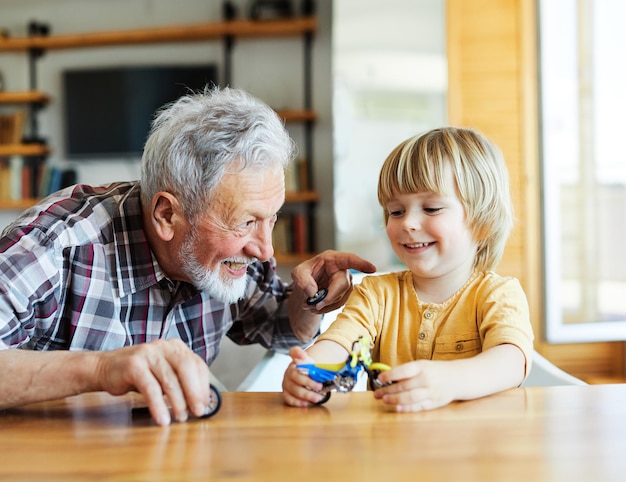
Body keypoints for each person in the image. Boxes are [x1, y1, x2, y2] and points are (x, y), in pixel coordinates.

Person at [0, 86, 376, 425]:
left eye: (271, 219)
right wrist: (99, 369)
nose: (265, 249)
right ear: (168, 215)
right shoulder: (57, 245)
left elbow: (277, 326)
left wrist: (310, 296)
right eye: (246, 222)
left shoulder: (237, 254)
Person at [282, 127, 534, 411]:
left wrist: (451, 381)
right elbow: (339, 343)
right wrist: (308, 371)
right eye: (396, 211)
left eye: (432, 208)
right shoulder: (376, 294)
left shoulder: (498, 294)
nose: (408, 224)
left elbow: (511, 361)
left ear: (482, 222)